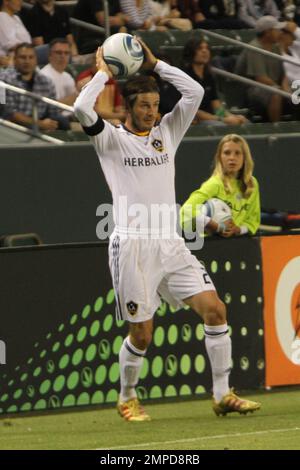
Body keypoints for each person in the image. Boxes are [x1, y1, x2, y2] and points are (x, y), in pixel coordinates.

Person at [74, 41, 261, 421]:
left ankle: (223, 394)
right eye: (144, 105)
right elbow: (80, 107)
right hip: (132, 246)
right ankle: (127, 397)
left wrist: (157, 63)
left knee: (215, 310)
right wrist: (103, 73)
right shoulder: (111, 139)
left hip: (171, 243)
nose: (152, 111)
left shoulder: (166, 134)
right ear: (129, 106)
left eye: (155, 105)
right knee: (142, 334)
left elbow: (195, 92)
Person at [181, 134, 261, 238]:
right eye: (227, 153)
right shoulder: (214, 184)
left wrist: (238, 229)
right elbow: (185, 212)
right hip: (211, 245)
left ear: (245, 157)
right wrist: (213, 225)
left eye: (237, 153)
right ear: (219, 157)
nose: (232, 158)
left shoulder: (251, 184)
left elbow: (253, 220)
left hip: (238, 243)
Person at [0, 42, 69, 130]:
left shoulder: (46, 82)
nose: (27, 61)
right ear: (15, 59)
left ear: (36, 60)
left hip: (40, 126)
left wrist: (48, 124)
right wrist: (39, 124)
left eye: (31, 57)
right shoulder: (3, 80)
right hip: (11, 128)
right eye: (23, 57)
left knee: (63, 122)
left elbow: (53, 112)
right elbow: (8, 113)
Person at [182, 38, 248, 126]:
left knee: (244, 123)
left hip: (211, 117)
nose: (205, 51)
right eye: (199, 49)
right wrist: (223, 119)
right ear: (190, 52)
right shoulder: (185, 76)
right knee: (220, 126)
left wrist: (232, 117)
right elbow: (192, 110)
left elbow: (216, 106)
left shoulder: (209, 76)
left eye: (207, 48)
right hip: (193, 120)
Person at [0, 0, 31, 67]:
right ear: (6, 1)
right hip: (17, 57)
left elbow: (28, 40)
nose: (21, 2)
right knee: (52, 48)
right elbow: (10, 44)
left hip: (28, 52)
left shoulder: (17, 18)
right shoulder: (2, 17)